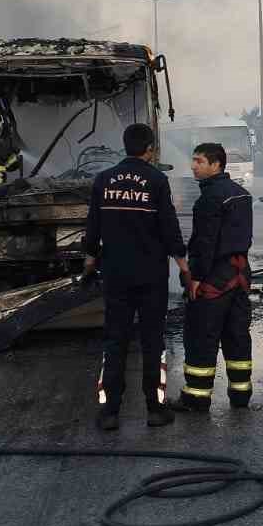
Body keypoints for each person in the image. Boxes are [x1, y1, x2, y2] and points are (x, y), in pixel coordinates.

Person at [83, 122, 188, 431]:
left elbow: (93, 229)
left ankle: (109, 412)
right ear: (150, 149)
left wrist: (90, 262)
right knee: (152, 341)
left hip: (115, 274)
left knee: (115, 341)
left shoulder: (103, 180)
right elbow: (169, 227)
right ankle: (155, 410)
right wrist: (183, 264)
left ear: (124, 146)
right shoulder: (157, 180)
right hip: (151, 276)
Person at [178, 141, 254, 414]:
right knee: (237, 335)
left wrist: (194, 278)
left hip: (214, 278)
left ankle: (196, 398)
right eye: (194, 160)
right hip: (240, 274)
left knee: (202, 335)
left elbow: (203, 243)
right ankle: (241, 394)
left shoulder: (208, 199)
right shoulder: (242, 195)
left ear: (216, 164)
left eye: (199, 161)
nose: (193, 166)